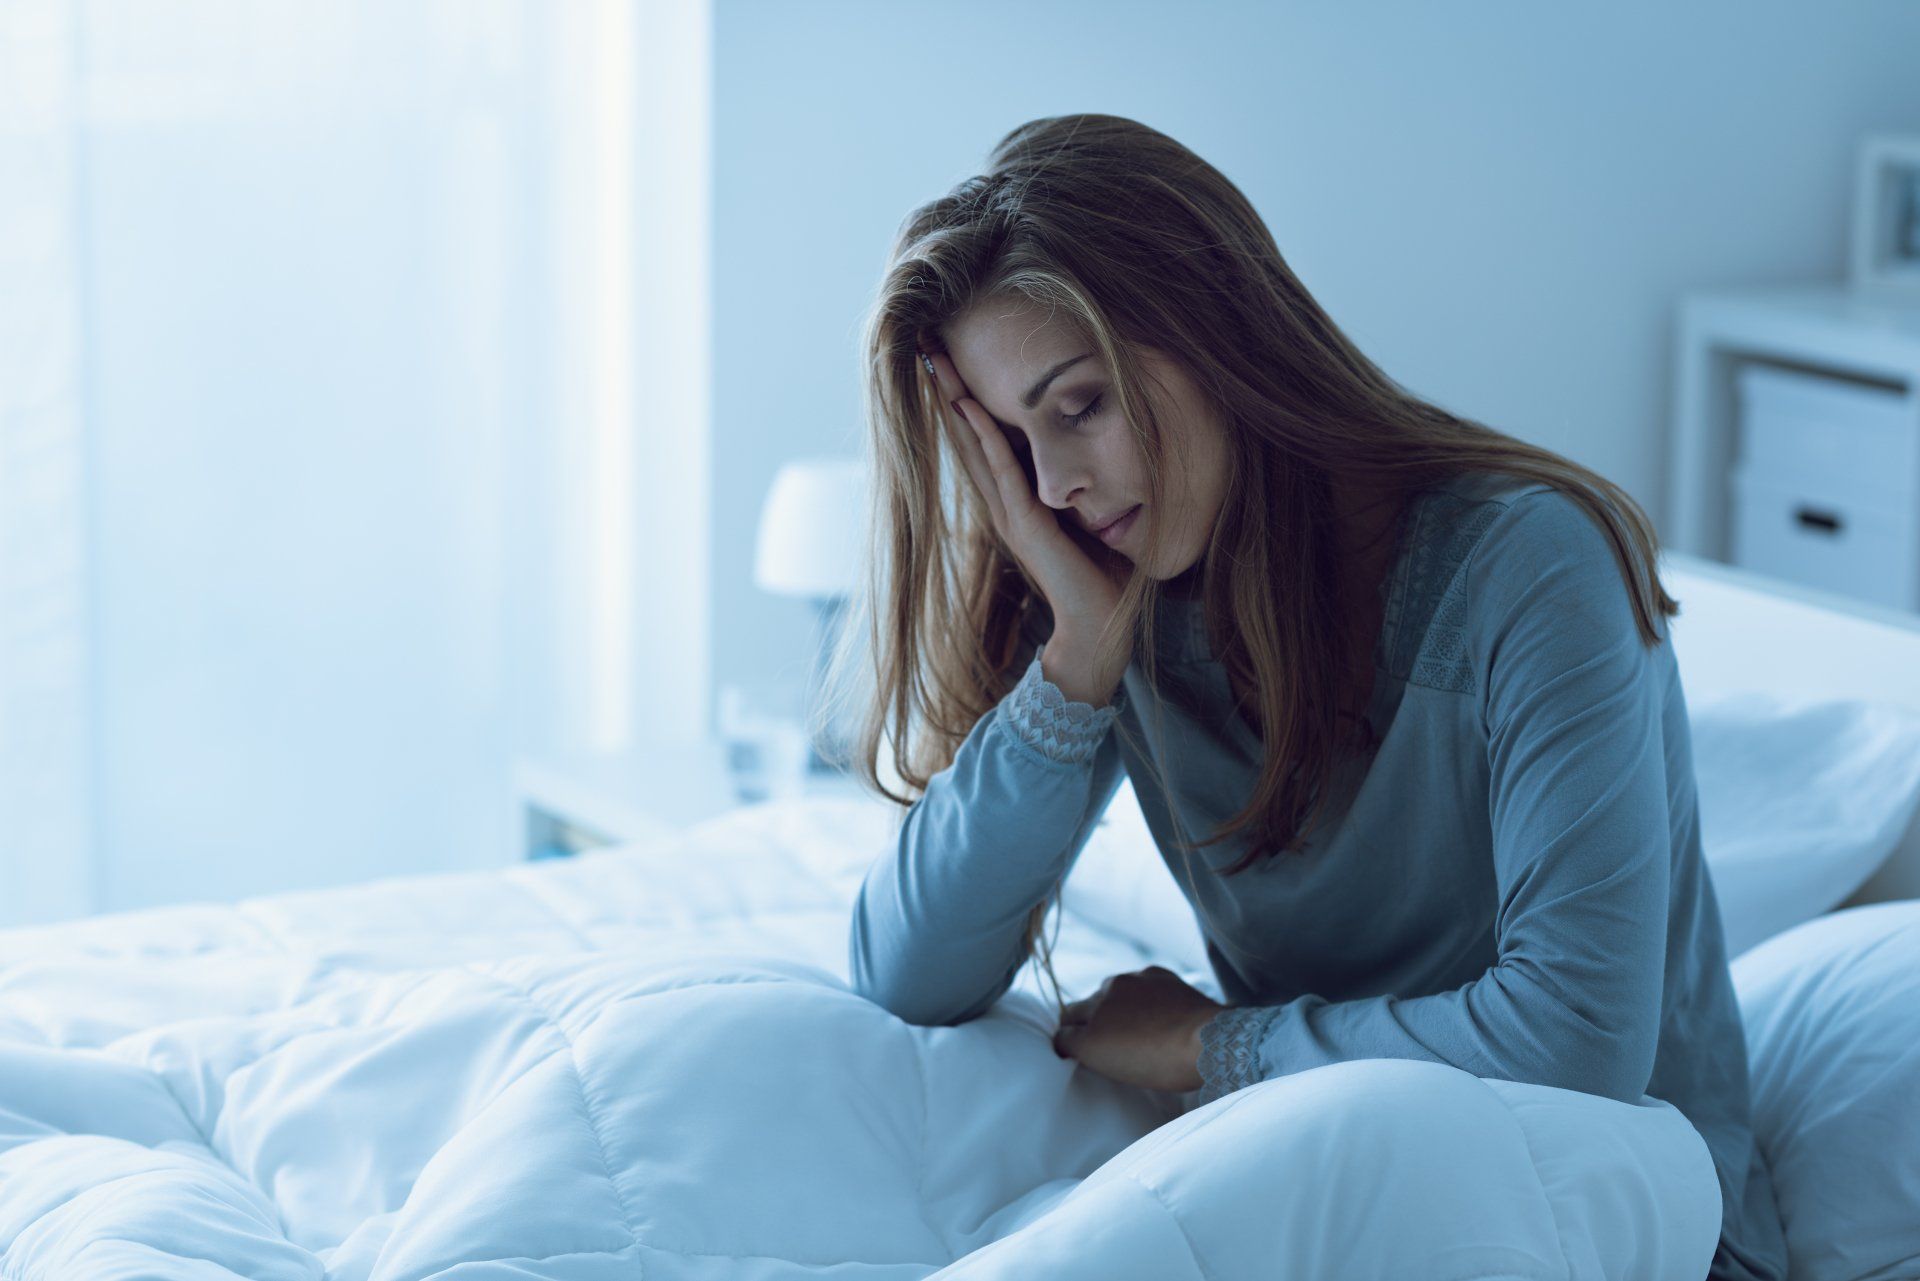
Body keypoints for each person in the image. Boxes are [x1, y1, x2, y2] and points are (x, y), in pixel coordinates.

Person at [827, 113, 1786, 1281]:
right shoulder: (1111, 590)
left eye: (1079, 406)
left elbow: (1576, 1042)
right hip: (1328, 1183)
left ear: (1215, 332)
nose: (1058, 486)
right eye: (1013, 447)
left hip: (1627, 1217)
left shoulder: (1527, 561)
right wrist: (1078, 660)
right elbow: (906, 972)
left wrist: (1207, 1047)